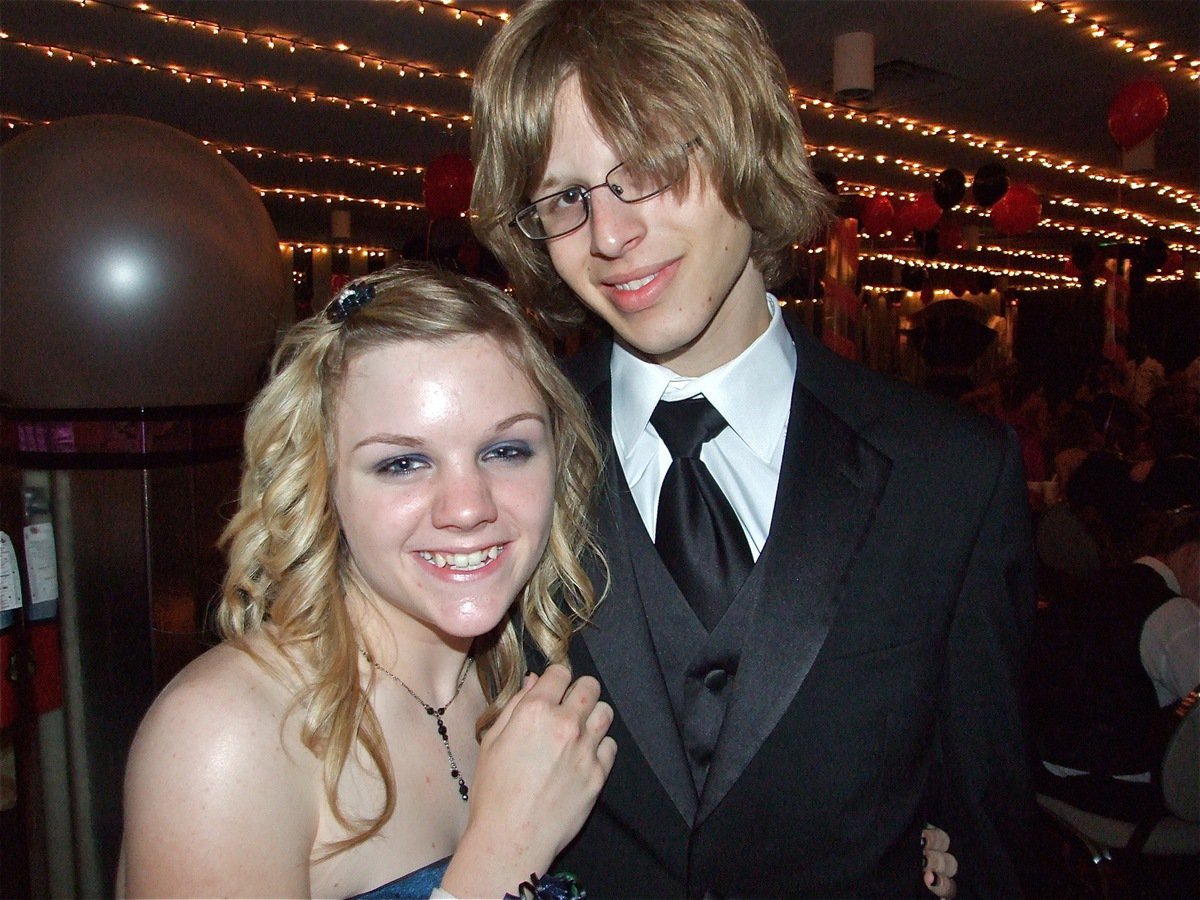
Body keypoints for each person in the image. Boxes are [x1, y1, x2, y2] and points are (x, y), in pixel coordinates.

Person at [471, 1, 1035, 895]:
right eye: (567, 197)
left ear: (745, 145)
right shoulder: (491, 462)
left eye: (649, 169)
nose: (610, 237)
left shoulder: (951, 475)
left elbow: (990, 830)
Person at [117, 264, 618, 899]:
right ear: (319, 482)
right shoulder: (224, 741)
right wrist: (501, 856)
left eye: (505, 451)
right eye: (403, 463)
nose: (467, 508)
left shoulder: (520, 676)